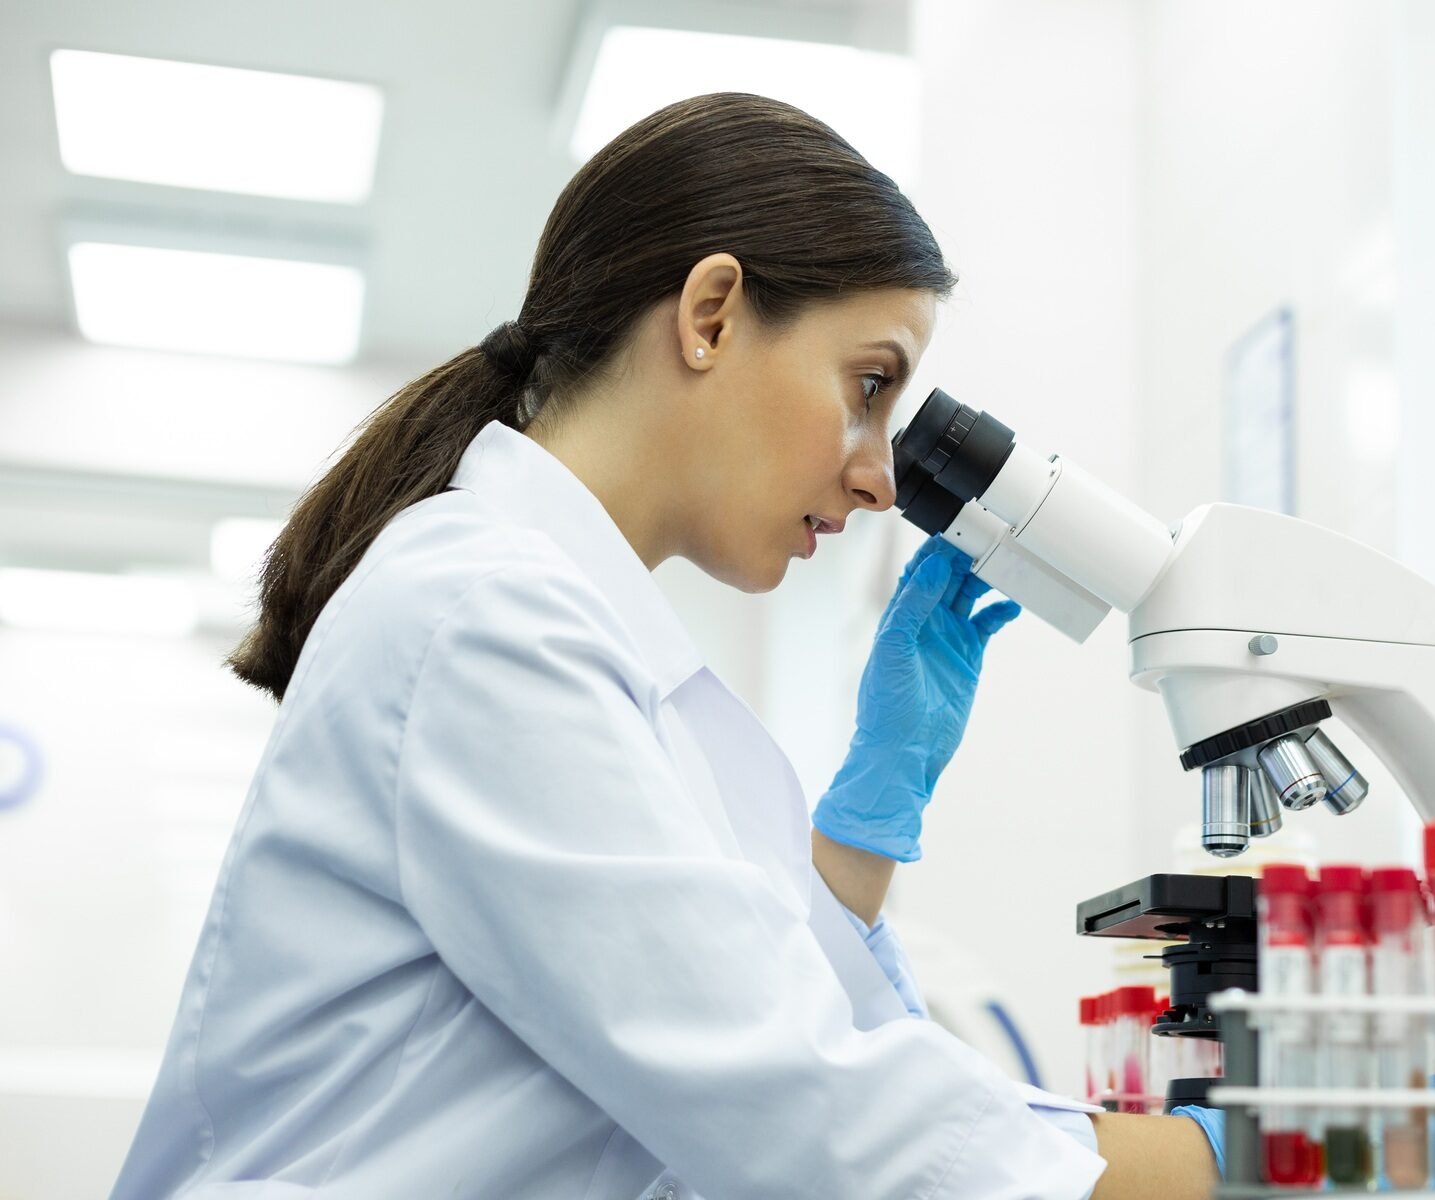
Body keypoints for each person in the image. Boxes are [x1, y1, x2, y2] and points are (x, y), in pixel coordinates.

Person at [109, 92, 1218, 1199]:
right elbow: (797, 1103)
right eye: (868, 386)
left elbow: (760, 1021)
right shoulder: (484, 618)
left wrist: (870, 821)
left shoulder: (573, 629)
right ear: (712, 314)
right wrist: (1242, 1163)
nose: (882, 475)